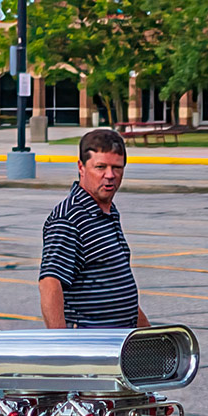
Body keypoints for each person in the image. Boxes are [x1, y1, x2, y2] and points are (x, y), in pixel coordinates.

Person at [39, 128, 151, 330]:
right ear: (81, 167)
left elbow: (118, 291)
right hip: (91, 345)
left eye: (117, 168)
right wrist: (61, 346)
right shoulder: (69, 218)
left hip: (118, 343)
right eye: (100, 167)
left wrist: (150, 338)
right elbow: (50, 283)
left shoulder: (108, 212)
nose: (110, 175)